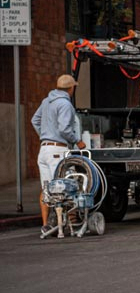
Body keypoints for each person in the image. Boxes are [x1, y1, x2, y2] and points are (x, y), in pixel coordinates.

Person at [31, 75, 85, 226]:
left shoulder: (46, 101)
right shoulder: (65, 104)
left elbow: (34, 120)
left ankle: (45, 225)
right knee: (68, 184)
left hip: (44, 150)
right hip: (58, 150)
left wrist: (44, 135)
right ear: (71, 88)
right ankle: (73, 221)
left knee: (47, 189)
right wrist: (77, 141)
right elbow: (64, 129)